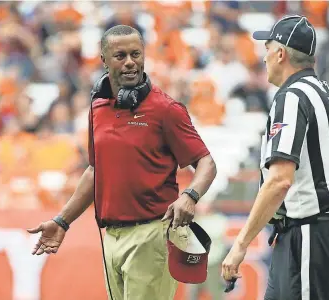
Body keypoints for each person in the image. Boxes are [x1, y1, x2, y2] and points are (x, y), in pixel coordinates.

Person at [27, 25, 217, 300]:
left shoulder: (166, 109)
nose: (130, 62)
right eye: (120, 56)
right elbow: (95, 170)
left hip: (152, 235)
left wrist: (190, 195)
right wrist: (62, 221)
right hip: (111, 239)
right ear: (104, 60)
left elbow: (206, 162)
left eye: (135, 54)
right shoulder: (97, 109)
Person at [221, 15, 329, 300]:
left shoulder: (291, 97)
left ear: (280, 53)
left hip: (308, 233)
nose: (264, 56)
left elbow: (279, 181)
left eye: (267, 47)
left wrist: (241, 244)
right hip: (327, 232)